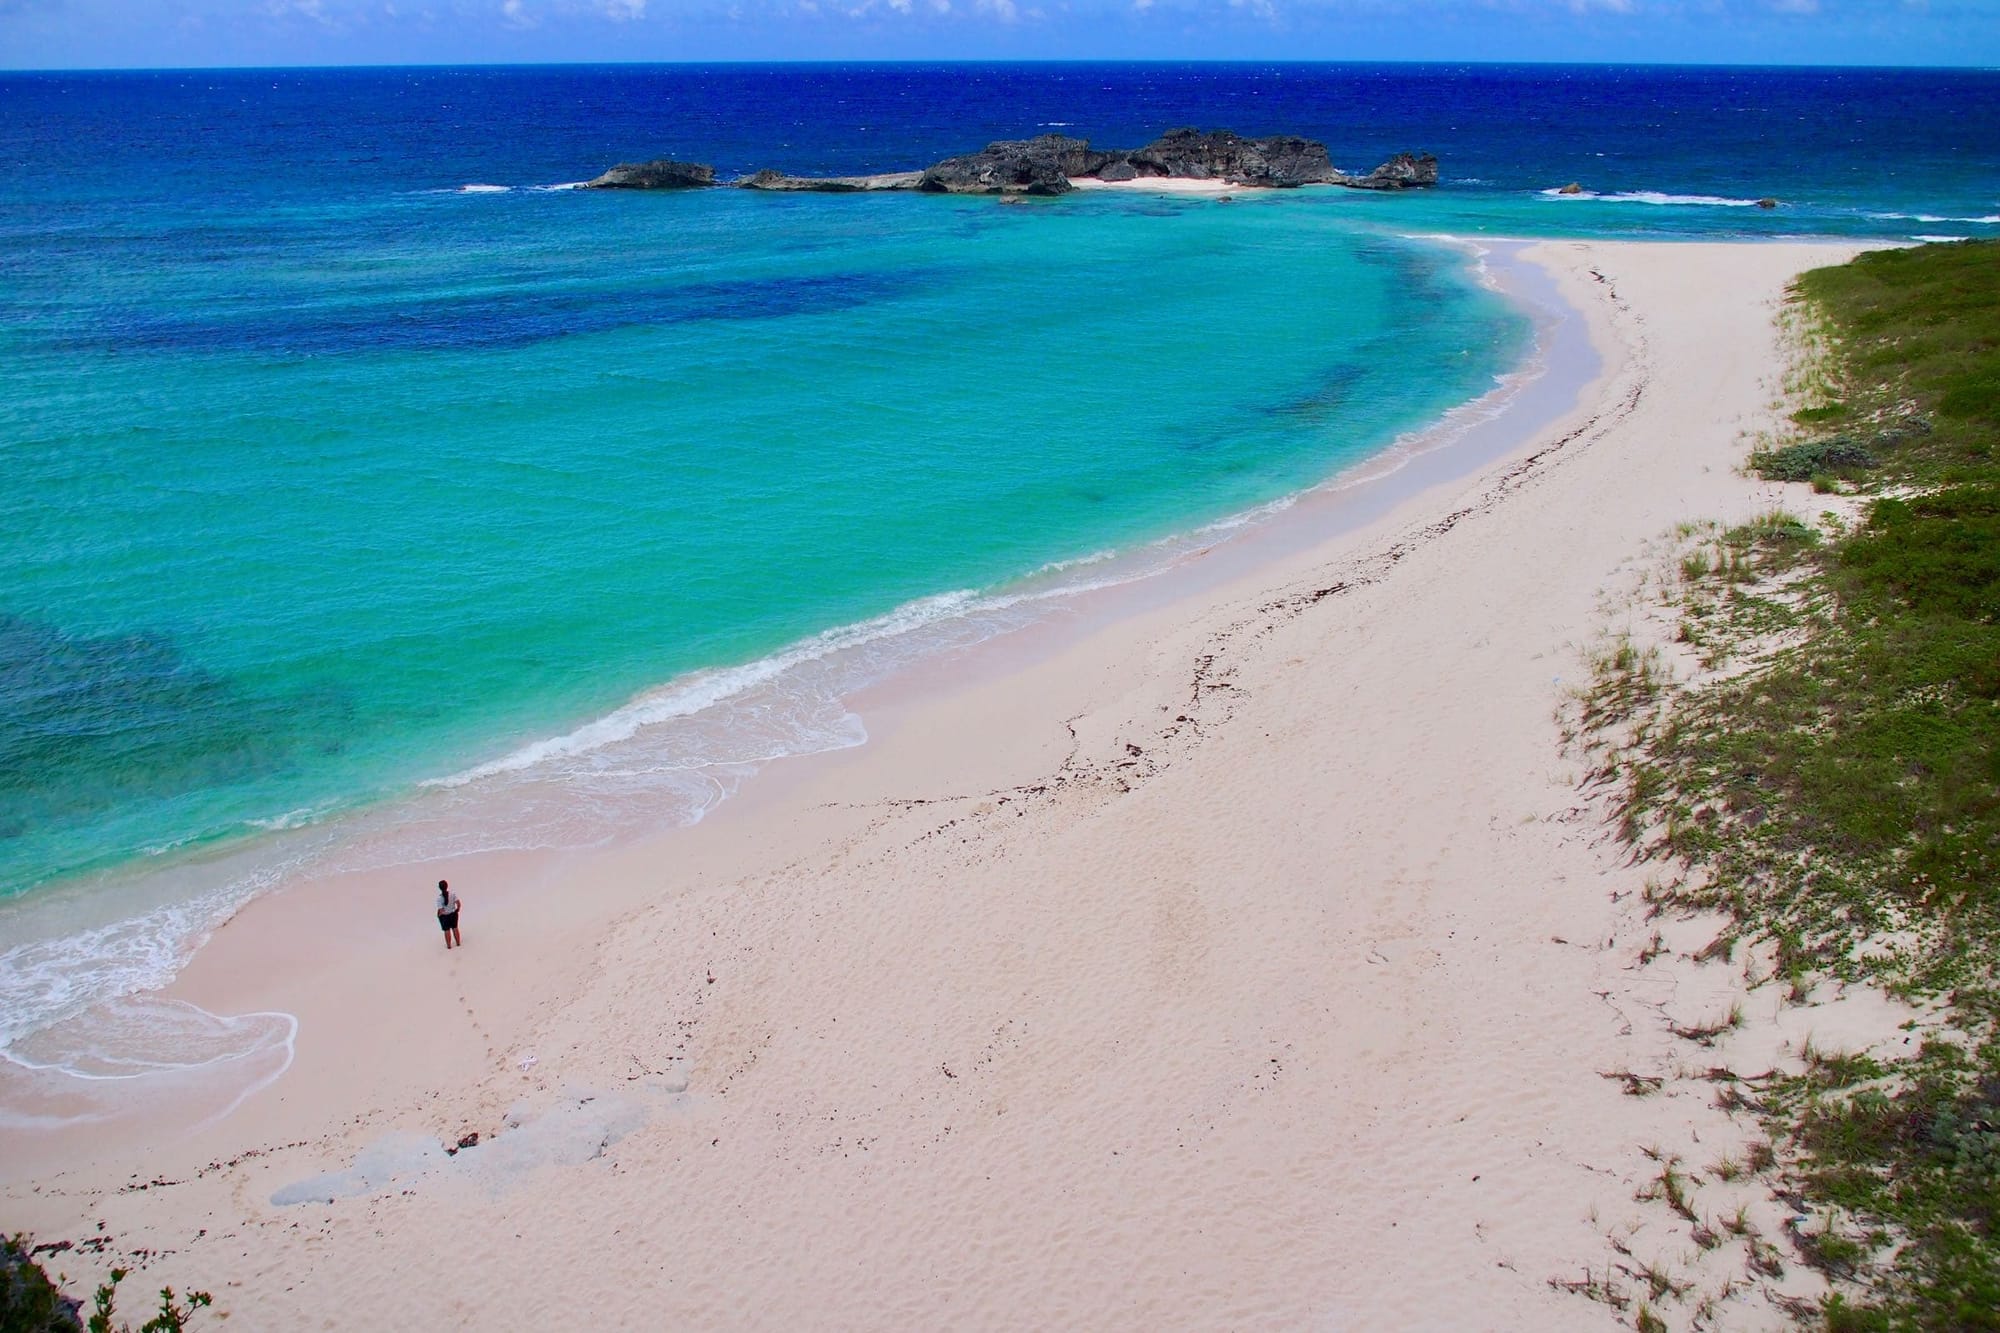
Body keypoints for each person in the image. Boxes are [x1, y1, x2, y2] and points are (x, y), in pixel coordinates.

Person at [436, 879, 462, 950]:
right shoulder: (452, 894)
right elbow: (458, 903)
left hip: (445, 916)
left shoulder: (439, 898)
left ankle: (449, 946)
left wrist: (439, 915)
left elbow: (441, 910)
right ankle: (458, 943)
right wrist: (458, 909)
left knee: (447, 930)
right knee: (455, 928)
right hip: (453, 914)